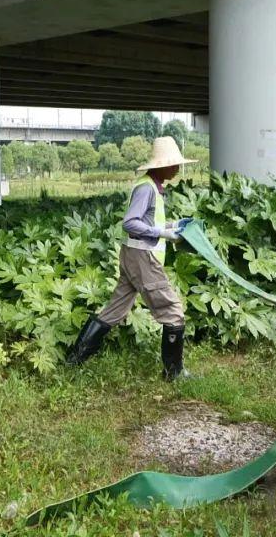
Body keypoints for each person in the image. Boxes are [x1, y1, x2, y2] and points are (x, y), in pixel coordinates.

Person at [65, 136, 196, 381]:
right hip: (143, 258)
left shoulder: (153, 187)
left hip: (134, 255)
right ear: (161, 165)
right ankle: (174, 373)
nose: (178, 168)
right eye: (174, 163)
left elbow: (148, 222)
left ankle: (73, 361)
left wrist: (173, 226)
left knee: (114, 310)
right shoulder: (146, 188)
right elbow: (130, 223)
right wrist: (162, 233)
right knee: (173, 311)